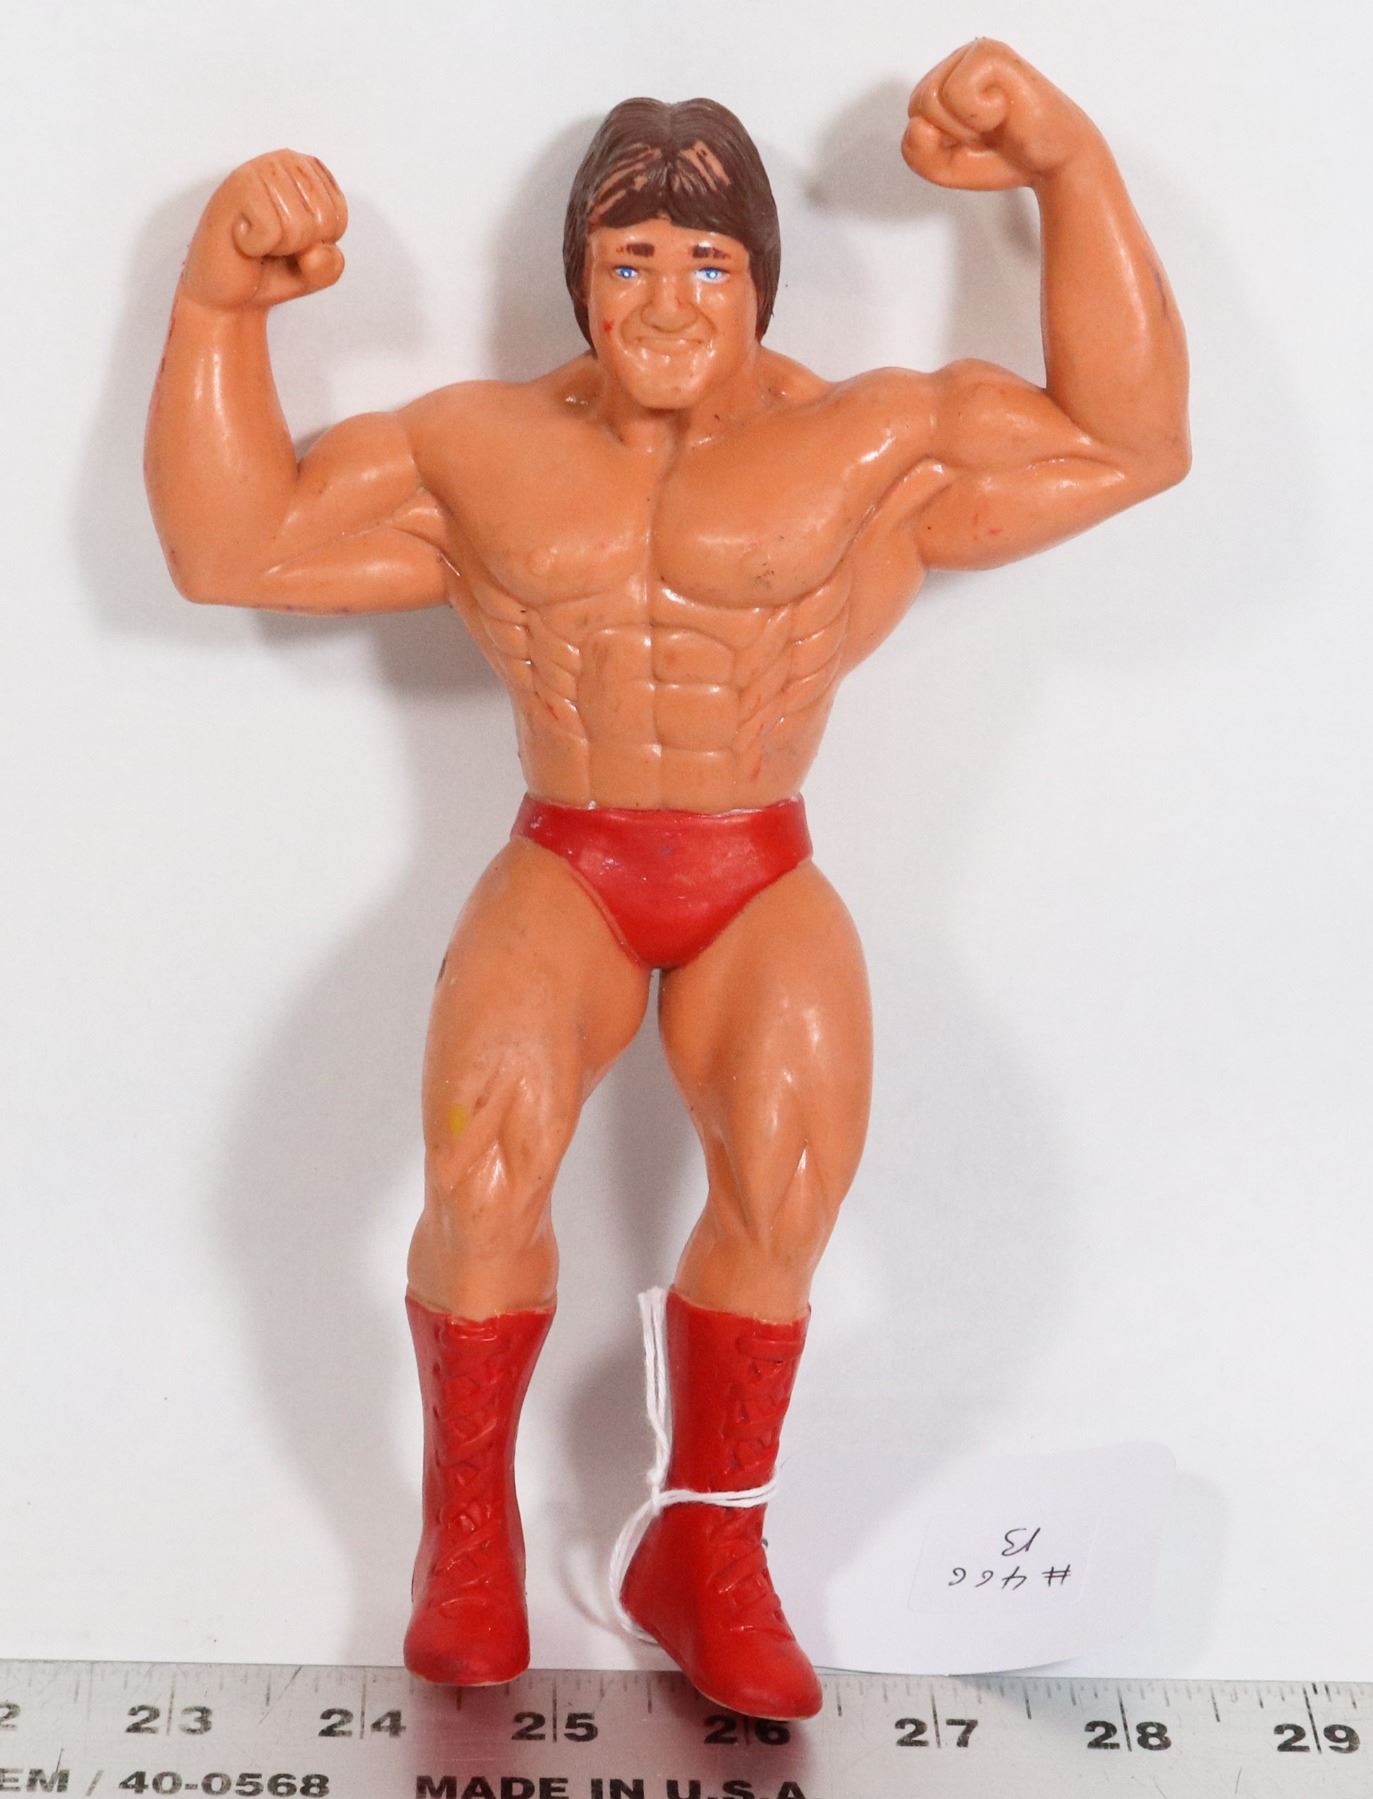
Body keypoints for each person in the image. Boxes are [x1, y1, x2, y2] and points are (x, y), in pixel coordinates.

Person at [146, 39, 1189, 1719]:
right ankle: (465, 1541)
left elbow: (1127, 443)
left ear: (759, 282)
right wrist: (216, 310)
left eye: (705, 262)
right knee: (483, 1151)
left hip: (756, 864)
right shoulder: (477, 445)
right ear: (577, 277)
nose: (664, 298)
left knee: (788, 1173)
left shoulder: (873, 441)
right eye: (626, 259)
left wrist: (1067, 167)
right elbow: (228, 545)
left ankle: (707, 1547)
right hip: (568, 857)